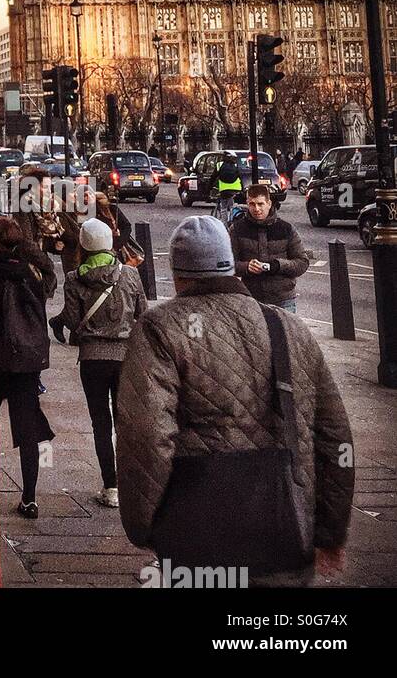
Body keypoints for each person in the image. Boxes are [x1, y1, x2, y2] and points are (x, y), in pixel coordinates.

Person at [117, 216, 353, 586]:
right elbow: (335, 435)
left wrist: (142, 524)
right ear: (230, 265)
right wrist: (330, 530)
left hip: (199, 536)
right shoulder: (288, 327)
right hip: (286, 527)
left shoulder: (159, 328)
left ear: (178, 273)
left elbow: (145, 438)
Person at [49, 217, 147, 508]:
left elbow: (71, 318)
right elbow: (142, 313)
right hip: (125, 358)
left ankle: (111, 486)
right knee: (124, 422)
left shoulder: (74, 278)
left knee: (100, 423)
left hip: (92, 360)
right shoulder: (129, 275)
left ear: (83, 245)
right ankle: (131, 483)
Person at [0, 214, 56, 518]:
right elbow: (50, 272)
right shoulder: (33, 273)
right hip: (27, 361)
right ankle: (29, 497)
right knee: (28, 432)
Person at [229, 182, 309, 312]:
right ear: (247, 203)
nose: (256, 209)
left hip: (283, 298)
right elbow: (228, 264)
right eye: (252, 204)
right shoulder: (237, 229)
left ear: (269, 203)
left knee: (284, 332)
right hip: (252, 298)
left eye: (260, 204)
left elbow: (302, 263)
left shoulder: (286, 229)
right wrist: (246, 267)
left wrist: (277, 266)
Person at [213, 150, 242, 224]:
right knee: (232, 206)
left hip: (224, 190)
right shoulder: (235, 165)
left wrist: (209, 187)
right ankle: (234, 219)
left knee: (223, 207)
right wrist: (242, 187)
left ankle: (224, 223)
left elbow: (213, 177)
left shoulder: (219, 165)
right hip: (236, 189)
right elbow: (240, 177)